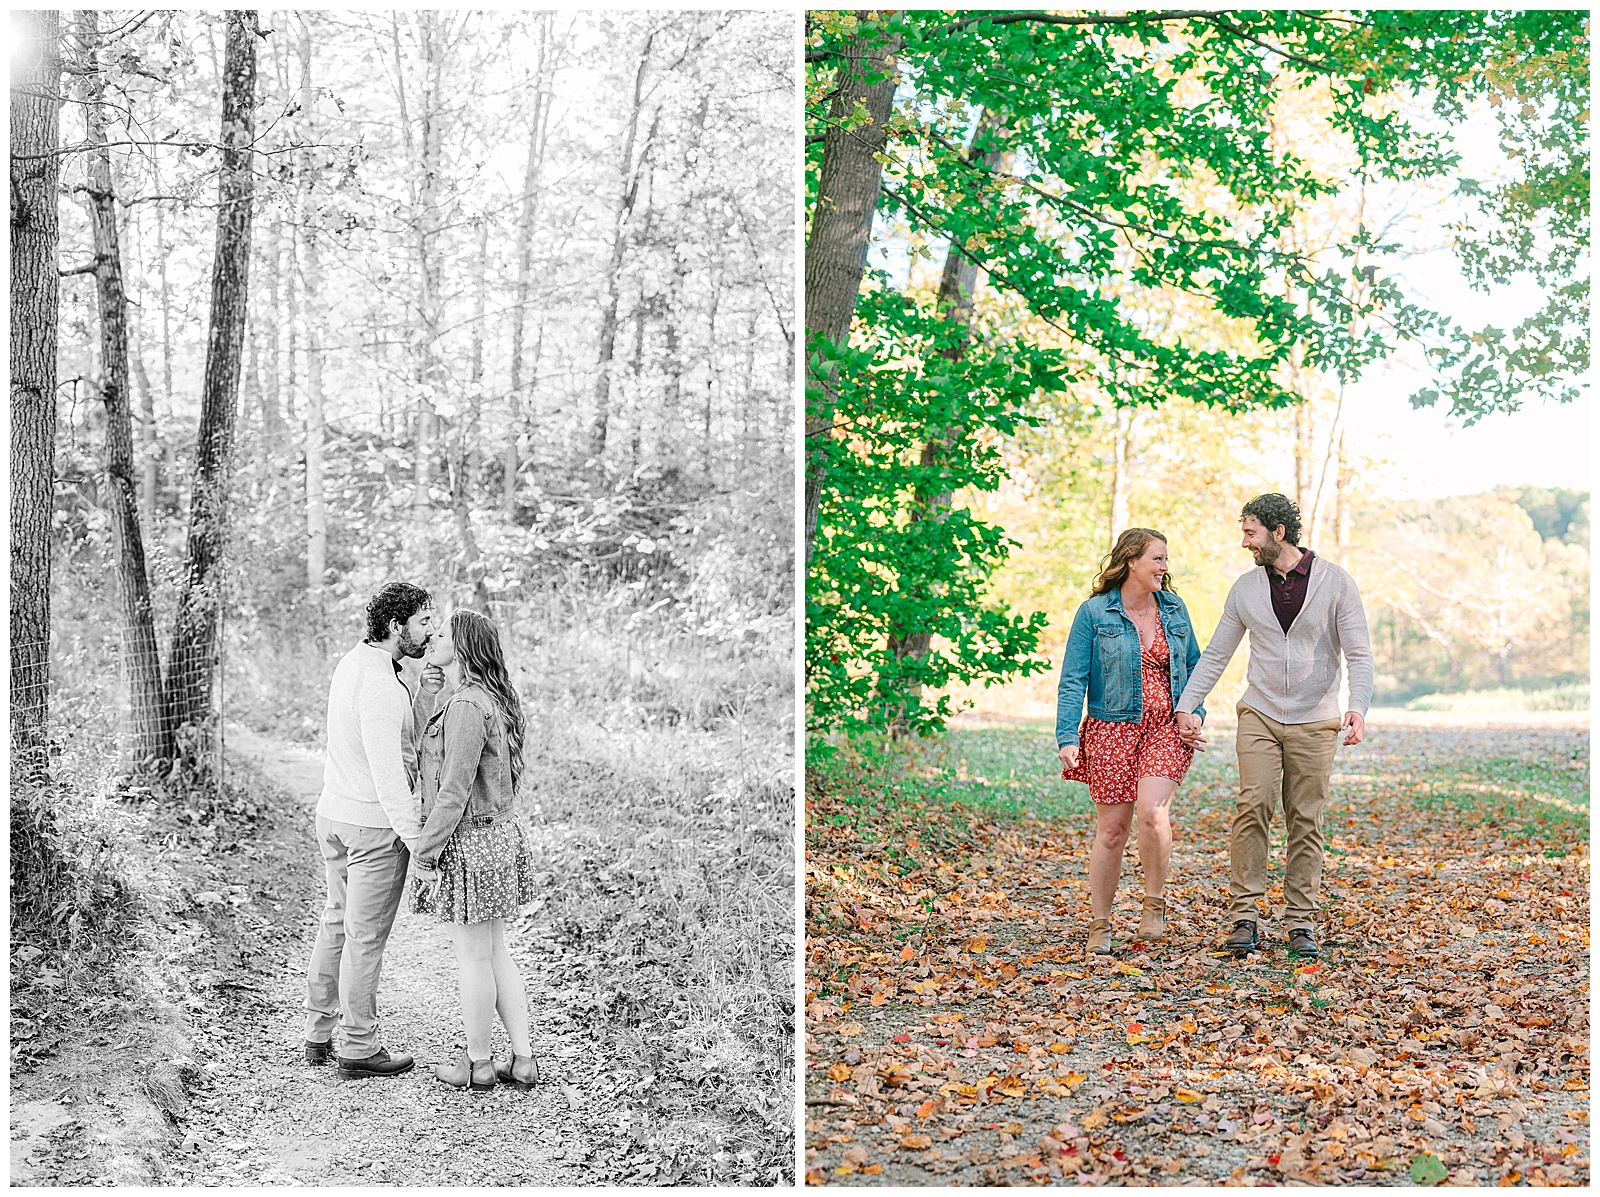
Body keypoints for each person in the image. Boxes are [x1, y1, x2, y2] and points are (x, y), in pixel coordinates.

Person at [1173, 494, 1372, 959]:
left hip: (1316, 719)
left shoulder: (1336, 583)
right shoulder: (1245, 589)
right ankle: (1245, 915)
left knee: (1305, 819)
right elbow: (1218, 654)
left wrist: (1357, 707)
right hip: (1260, 712)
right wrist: (1187, 705)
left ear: (1277, 532)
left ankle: (1301, 922)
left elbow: (1359, 653)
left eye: (1251, 532)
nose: (1244, 542)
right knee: (1252, 806)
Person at [305, 581, 438, 1079]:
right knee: (365, 939)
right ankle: (359, 1047)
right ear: (395, 626)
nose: (431, 631)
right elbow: (389, 776)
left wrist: (421, 691)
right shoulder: (382, 686)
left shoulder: (354, 664)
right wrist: (418, 845)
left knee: (336, 923)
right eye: (423, 622)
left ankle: (318, 1034)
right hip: (371, 827)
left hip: (334, 815)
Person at [1056, 529, 1203, 956]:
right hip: (1111, 728)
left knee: (1152, 811)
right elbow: (1072, 679)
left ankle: (1153, 902)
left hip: (1165, 727)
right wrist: (1068, 735)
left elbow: (1196, 667)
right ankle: (1100, 923)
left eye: (1165, 559)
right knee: (1111, 831)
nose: (1164, 567)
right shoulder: (1094, 613)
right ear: (1131, 561)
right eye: (1157, 558)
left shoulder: (1174, 610)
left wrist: (1194, 713)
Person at [410, 609, 540, 1091]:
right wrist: (430, 686)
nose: (434, 637)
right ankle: (522, 1060)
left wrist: (426, 851)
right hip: (496, 835)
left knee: (473, 958)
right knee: (495, 951)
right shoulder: (486, 698)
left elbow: (454, 788)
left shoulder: (467, 706)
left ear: (462, 648)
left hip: (473, 840)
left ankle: (479, 1063)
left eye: (442, 633)